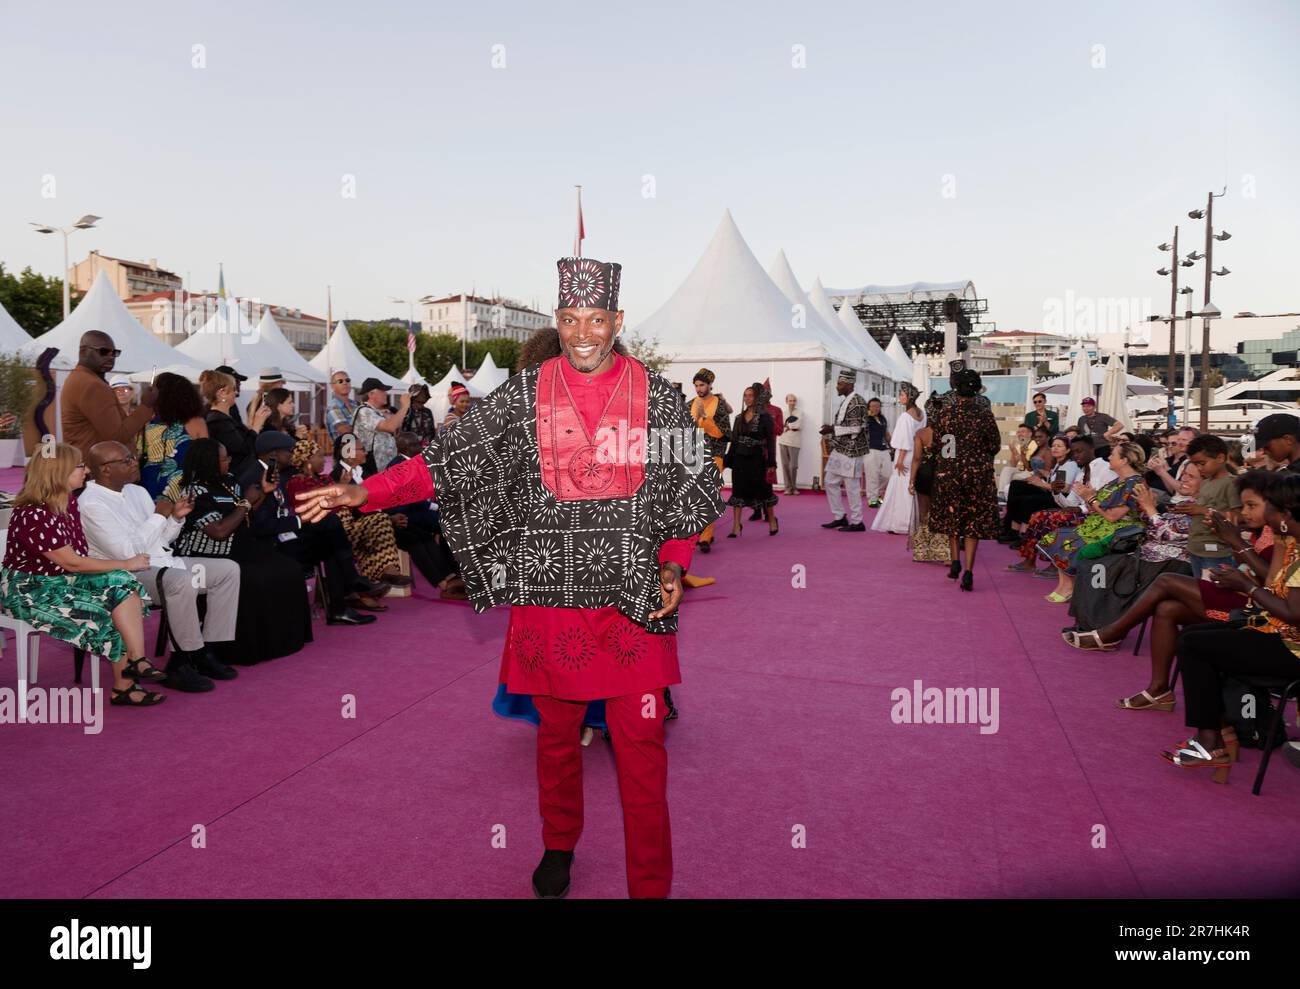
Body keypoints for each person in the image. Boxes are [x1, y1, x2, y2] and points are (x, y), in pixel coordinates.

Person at [293, 255, 726, 899]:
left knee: (643, 754)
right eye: (572, 319)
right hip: (552, 601)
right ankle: (558, 844)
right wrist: (364, 494)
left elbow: (688, 489)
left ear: (617, 321)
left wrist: (674, 562)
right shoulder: (525, 395)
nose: (583, 332)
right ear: (558, 320)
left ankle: (651, 888)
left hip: (636, 601)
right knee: (556, 740)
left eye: (597, 319)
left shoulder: (658, 399)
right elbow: (446, 461)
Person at [1063, 472, 1275, 714]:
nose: (1245, 512)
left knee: (1165, 581)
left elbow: (1271, 580)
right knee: (1166, 609)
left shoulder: (1276, 534)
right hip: (1233, 588)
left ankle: (1112, 632)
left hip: (1255, 608)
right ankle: (1159, 690)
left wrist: (1234, 541)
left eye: (1251, 506)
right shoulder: (1249, 527)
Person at [0, 443, 164, 707]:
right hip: (31, 590)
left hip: (63, 580)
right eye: (80, 466)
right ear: (59, 471)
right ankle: (125, 684)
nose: (86, 471)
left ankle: (136, 661)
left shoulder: (68, 502)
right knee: (107, 607)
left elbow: (75, 563)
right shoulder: (33, 512)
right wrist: (125, 562)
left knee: (123, 584)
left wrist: (122, 569)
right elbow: (73, 563)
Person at [1162, 474, 1300, 782]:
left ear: (1286, 513)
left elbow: (1294, 614)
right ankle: (1217, 734)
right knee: (1194, 637)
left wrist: (1247, 587)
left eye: (1265, 508)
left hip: (1292, 645)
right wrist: (1238, 548)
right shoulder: (1288, 540)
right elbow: (1275, 586)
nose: (1261, 515)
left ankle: (1211, 740)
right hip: (1276, 630)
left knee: (1196, 644)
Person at [80, 441, 243, 692]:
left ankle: (207, 653)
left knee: (227, 570)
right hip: (127, 574)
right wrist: (158, 515)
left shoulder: (137, 492)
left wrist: (175, 517)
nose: (135, 462)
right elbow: (127, 553)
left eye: (133, 457)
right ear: (105, 469)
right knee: (180, 581)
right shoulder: (91, 504)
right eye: (127, 460)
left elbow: (162, 539)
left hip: (162, 562)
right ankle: (182, 661)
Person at [173, 438, 313, 665]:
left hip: (237, 545)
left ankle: (281, 642)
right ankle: (225, 651)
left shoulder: (230, 481)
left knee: (289, 569)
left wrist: (264, 494)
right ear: (209, 462)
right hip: (205, 554)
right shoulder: (193, 491)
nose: (229, 461)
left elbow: (244, 517)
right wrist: (246, 503)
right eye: (223, 459)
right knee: (254, 579)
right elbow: (219, 531)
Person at [241, 431, 382, 625]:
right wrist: (300, 521)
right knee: (330, 527)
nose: (292, 455)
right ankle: (350, 584)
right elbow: (261, 525)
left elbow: (280, 511)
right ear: (274, 454)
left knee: (332, 541)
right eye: (288, 451)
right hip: (270, 544)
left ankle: (340, 607)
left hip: (286, 535)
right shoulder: (254, 477)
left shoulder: (272, 473)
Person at [285, 438, 411, 594]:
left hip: (345, 527)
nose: (324, 460)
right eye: (320, 456)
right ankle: (366, 584)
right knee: (347, 520)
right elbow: (311, 510)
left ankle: (388, 570)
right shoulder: (296, 483)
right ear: (308, 460)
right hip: (322, 532)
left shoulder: (326, 479)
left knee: (380, 520)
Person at [1036, 441, 1146, 603]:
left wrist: (1090, 497)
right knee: (1057, 536)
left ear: (1124, 460)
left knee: (1069, 541)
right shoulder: (1117, 482)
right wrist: (1087, 495)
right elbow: (1097, 505)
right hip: (1098, 525)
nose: (1108, 457)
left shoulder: (1135, 484)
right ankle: (1065, 585)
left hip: (1118, 530)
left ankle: (1068, 587)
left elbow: (1113, 516)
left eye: (1113, 454)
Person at [928, 368, 1001, 590]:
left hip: (949, 473)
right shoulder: (984, 415)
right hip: (977, 475)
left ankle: (955, 562)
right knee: (972, 522)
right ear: (977, 389)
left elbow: (938, 446)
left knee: (953, 518)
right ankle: (968, 570)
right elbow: (994, 446)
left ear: (955, 389)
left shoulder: (945, 415)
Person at [381, 432, 468, 600]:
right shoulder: (398, 466)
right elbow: (413, 499)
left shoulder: (412, 462)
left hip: (415, 510)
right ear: (405, 447)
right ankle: (450, 576)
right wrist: (438, 507)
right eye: (415, 445)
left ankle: (452, 574)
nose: (420, 447)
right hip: (404, 514)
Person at [60, 331, 158, 455]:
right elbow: (117, 436)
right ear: (83, 352)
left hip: (88, 464)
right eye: (104, 351)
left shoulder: (80, 378)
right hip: (98, 468)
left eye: (115, 353)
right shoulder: (92, 385)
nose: (110, 357)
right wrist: (146, 406)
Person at [1176, 434, 1241, 578]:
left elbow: (1238, 517)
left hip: (1217, 551)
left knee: (1213, 592)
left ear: (1220, 458)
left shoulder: (1230, 483)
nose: (1199, 468)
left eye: (1202, 463)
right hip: (1196, 548)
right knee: (1202, 589)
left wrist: (1203, 510)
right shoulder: (1206, 482)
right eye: (1196, 464)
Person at [138, 371, 208, 501]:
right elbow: (205, 460)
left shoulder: (146, 421)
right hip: (180, 488)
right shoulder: (195, 423)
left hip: (147, 485)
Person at [724, 383, 779, 536]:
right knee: (738, 492)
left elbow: (771, 441)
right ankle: (736, 526)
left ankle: (773, 521)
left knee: (764, 490)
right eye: (745, 396)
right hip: (740, 460)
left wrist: (771, 463)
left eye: (751, 396)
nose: (747, 399)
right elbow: (734, 441)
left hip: (757, 460)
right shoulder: (739, 418)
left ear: (756, 398)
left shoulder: (765, 418)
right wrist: (728, 460)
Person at [686, 369, 731, 552]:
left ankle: (706, 536)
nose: (699, 389)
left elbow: (725, 433)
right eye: (696, 385)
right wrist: (695, 418)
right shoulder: (690, 403)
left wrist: (705, 419)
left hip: (714, 455)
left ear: (710, 385)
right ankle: (697, 532)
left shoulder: (719, 404)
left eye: (702, 385)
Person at [820, 369, 869, 532]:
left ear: (849, 384)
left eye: (840, 384)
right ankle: (840, 517)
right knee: (829, 481)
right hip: (841, 448)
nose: (837, 387)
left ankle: (857, 522)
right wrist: (832, 429)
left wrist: (831, 429)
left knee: (852, 486)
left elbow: (856, 428)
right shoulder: (848, 400)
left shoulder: (857, 402)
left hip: (852, 450)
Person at [872, 382, 925, 535]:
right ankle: (913, 521)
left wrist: (900, 460)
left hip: (906, 455)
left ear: (909, 397)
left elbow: (904, 441)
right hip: (917, 454)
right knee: (911, 485)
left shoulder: (905, 417)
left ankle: (901, 523)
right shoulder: (922, 414)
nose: (900, 397)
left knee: (901, 487)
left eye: (902, 395)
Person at [908, 394, 950, 564]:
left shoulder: (921, 433)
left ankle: (922, 552)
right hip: (943, 476)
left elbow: (917, 458)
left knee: (924, 514)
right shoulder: (949, 434)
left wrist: (911, 480)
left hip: (924, 476)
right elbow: (951, 458)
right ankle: (944, 554)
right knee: (943, 514)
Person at [203, 368, 266, 479]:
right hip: (237, 478)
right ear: (222, 393)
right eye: (233, 389)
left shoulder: (224, 418)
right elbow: (243, 450)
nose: (236, 393)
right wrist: (256, 426)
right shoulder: (218, 421)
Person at [353, 377, 409, 477]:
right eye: (382, 391)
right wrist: (404, 406)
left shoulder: (375, 412)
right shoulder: (364, 411)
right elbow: (391, 426)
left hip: (382, 469)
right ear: (371, 394)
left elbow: (397, 424)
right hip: (372, 469)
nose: (386, 394)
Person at [862, 397, 891, 509]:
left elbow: (886, 433)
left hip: (884, 449)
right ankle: (873, 500)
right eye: (873, 406)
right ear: (868, 407)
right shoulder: (866, 419)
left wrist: (892, 445)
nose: (875, 408)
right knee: (872, 476)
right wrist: (867, 415)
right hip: (871, 450)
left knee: (888, 475)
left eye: (878, 406)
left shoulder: (883, 419)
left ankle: (877, 492)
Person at [778, 392, 802, 495]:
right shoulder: (782, 413)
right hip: (783, 441)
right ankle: (787, 488)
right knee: (785, 465)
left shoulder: (800, 413)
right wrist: (790, 427)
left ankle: (794, 487)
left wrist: (788, 427)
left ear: (795, 402)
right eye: (790, 400)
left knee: (793, 466)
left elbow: (799, 425)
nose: (792, 402)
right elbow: (780, 427)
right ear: (786, 402)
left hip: (795, 442)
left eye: (793, 400)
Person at [325, 371, 359, 441]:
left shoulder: (356, 404)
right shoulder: (333, 407)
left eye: (347, 380)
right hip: (346, 450)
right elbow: (346, 432)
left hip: (362, 449)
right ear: (332, 386)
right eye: (340, 381)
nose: (345, 383)